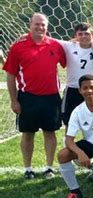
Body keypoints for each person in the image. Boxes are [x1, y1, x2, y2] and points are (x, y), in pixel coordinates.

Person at [3, 13, 66, 179]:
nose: (40, 27)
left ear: (47, 26)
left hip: (51, 97)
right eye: (36, 24)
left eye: (43, 24)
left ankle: (49, 167)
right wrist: (14, 100)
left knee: (50, 132)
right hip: (28, 97)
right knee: (27, 133)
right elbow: (10, 75)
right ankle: (28, 168)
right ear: (30, 25)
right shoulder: (18, 47)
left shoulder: (55, 45)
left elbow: (72, 53)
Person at [61, 23, 93, 126]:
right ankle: (68, 142)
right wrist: (28, 35)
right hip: (72, 89)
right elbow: (49, 40)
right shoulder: (69, 46)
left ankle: (90, 142)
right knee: (69, 122)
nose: (84, 36)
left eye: (87, 33)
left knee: (92, 121)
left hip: (91, 90)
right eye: (80, 34)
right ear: (75, 36)